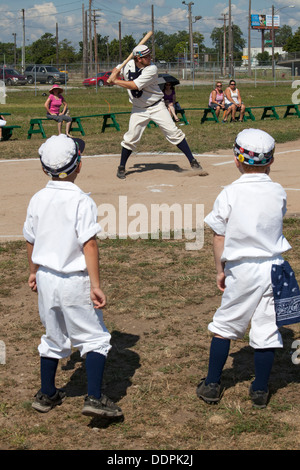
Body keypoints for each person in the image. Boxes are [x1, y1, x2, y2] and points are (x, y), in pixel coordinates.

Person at [23, 134, 123, 419]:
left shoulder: (37, 198)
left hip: (46, 278)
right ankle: (94, 397)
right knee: (94, 338)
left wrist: (33, 271)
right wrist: (96, 285)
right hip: (74, 280)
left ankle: (47, 393)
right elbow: (88, 244)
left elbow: (30, 239)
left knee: (53, 336)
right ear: (79, 164)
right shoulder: (81, 201)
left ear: (44, 168)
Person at [197, 128, 292, 409]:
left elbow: (219, 236)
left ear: (236, 159)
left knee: (225, 324)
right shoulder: (278, 191)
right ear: (271, 161)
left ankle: (213, 383)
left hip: (243, 269)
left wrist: (220, 269)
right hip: (274, 268)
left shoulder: (230, 193)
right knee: (266, 329)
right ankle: (260, 389)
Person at [109, 45, 208, 180]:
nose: (150, 58)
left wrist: (115, 81)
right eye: (147, 57)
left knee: (173, 132)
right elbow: (117, 69)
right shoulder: (127, 65)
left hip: (156, 106)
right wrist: (115, 72)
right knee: (131, 137)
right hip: (139, 109)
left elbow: (134, 85)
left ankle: (193, 161)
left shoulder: (152, 69)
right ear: (138, 58)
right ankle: (121, 166)